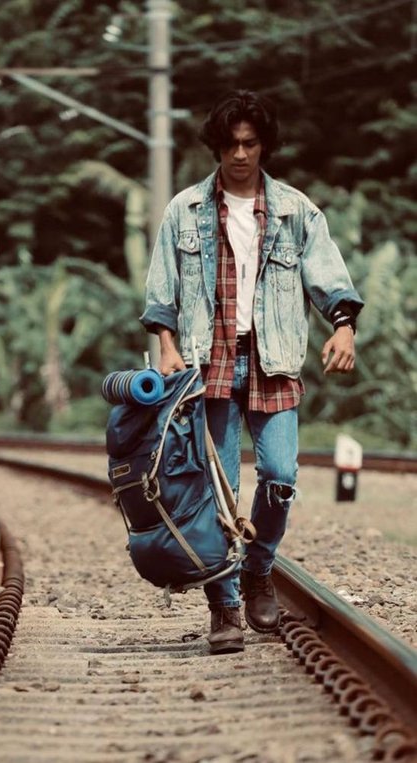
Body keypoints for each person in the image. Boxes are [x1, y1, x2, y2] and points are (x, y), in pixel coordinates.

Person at [140, 89, 364, 655]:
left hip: (274, 358)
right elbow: (161, 290)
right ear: (217, 147)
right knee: (219, 491)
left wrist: (343, 327)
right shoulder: (184, 210)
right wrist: (165, 346)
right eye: (230, 144)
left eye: (250, 143)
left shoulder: (295, 209)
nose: (240, 154)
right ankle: (225, 609)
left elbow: (329, 277)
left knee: (281, 477)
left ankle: (258, 569)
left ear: (264, 146)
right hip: (205, 360)